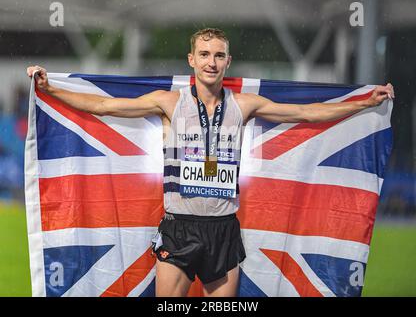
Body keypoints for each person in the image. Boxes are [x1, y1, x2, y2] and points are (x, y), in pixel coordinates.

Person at [27, 28, 394, 297]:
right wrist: (49, 88)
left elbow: (305, 113)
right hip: (179, 229)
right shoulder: (169, 102)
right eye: (204, 54)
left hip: (223, 230)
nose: (211, 62)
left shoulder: (244, 106)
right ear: (192, 60)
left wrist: (363, 102)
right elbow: (104, 106)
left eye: (218, 55)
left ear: (227, 61)